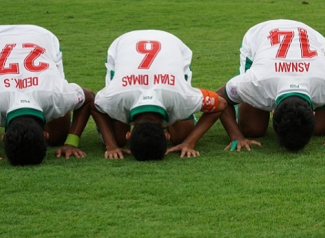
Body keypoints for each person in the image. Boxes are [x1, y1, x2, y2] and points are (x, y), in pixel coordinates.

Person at [215, 19, 325, 152]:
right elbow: (220, 96)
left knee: (321, 129)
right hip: (260, 35)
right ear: (273, 111)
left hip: (309, 40)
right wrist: (237, 136)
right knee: (253, 129)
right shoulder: (255, 81)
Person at [0, 25, 94, 165]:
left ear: (4, 137)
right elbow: (89, 96)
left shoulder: (57, 95)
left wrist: (71, 142)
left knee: (58, 136)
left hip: (40, 38)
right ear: (45, 134)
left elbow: (88, 97)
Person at [91, 30, 226, 161]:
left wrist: (189, 142)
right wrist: (111, 145)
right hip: (129, 45)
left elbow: (221, 104)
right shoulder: (115, 97)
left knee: (181, 136)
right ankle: (184, 117)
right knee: (117, 137)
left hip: (169, 44)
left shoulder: (115, 97)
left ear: (129, 135)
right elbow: (221, 103)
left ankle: (186, 117)